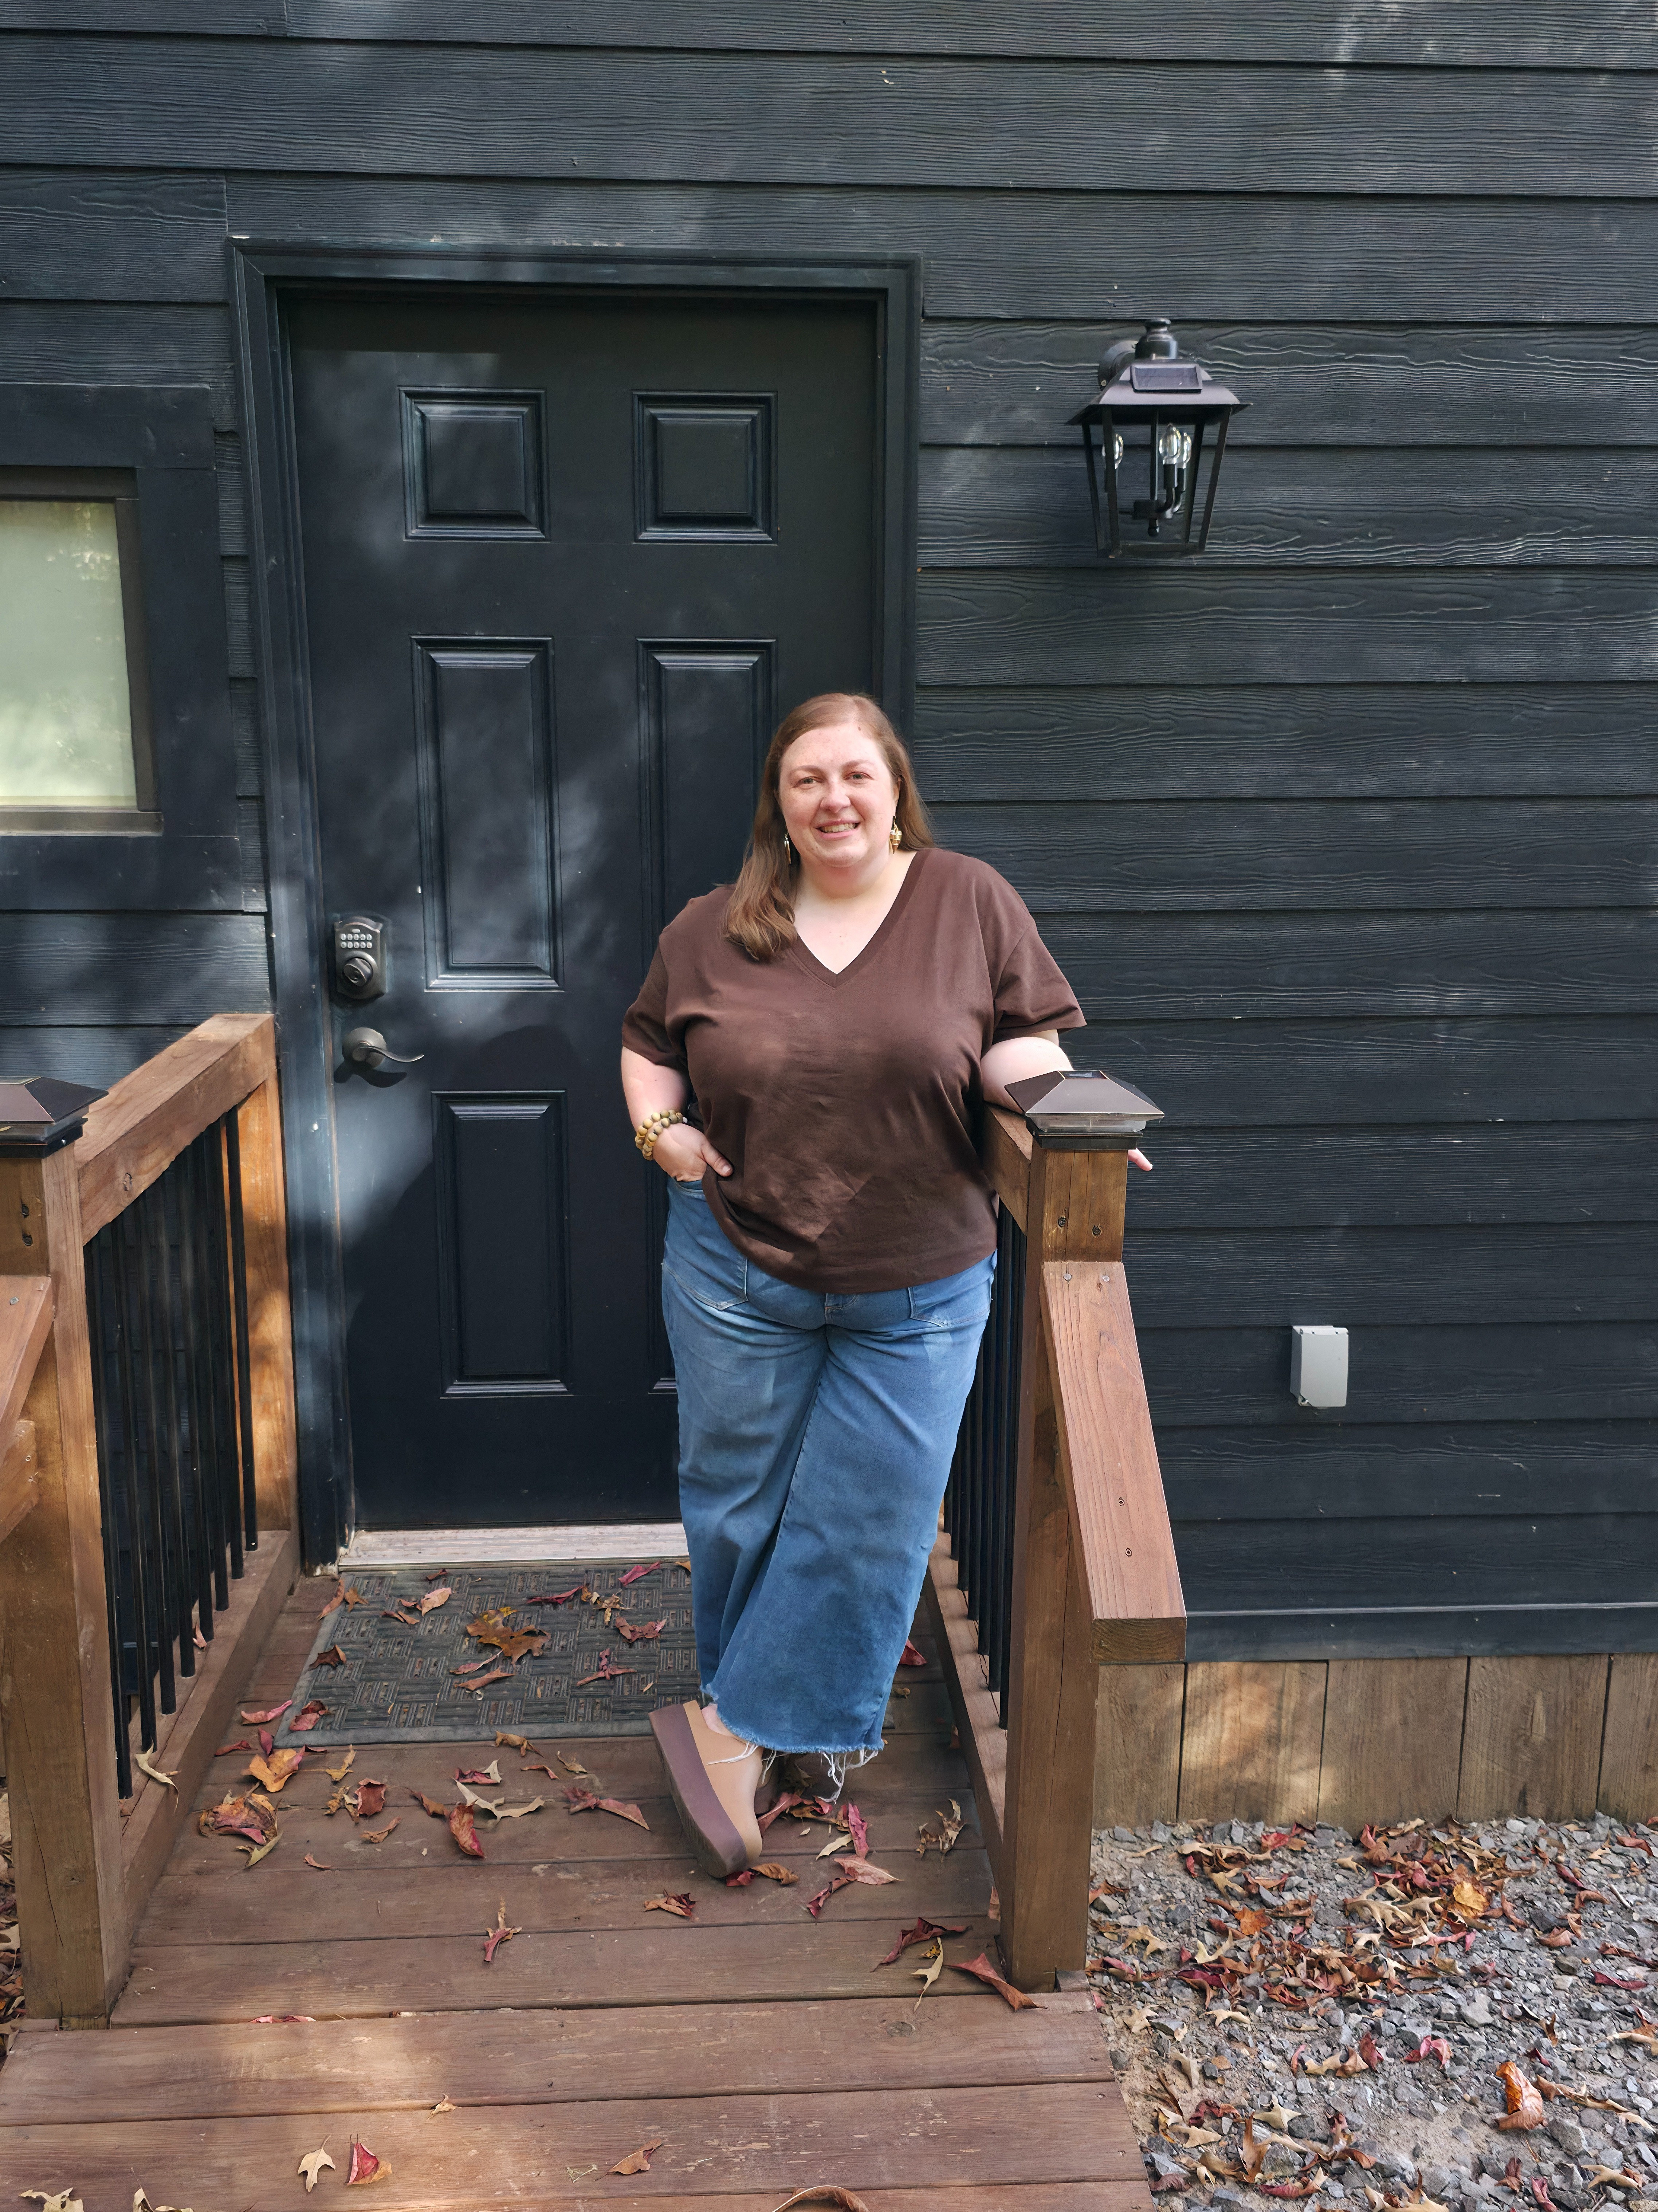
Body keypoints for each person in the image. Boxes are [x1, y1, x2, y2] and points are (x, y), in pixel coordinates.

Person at [620, 692, 1089, 1878]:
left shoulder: (966, 898)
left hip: (920, 1279)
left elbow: (1021, 1041)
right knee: (736, 1498)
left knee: (873, 1514)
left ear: (893, 791)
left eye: (854, 777)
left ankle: (735, 1724)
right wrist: (663, 1132)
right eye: (806, 780)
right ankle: (794, 1735)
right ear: (779, 805)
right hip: (733, 1263)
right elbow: (646, 1042)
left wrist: (1069, 1119)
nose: (832, 799)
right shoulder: (710, 926)